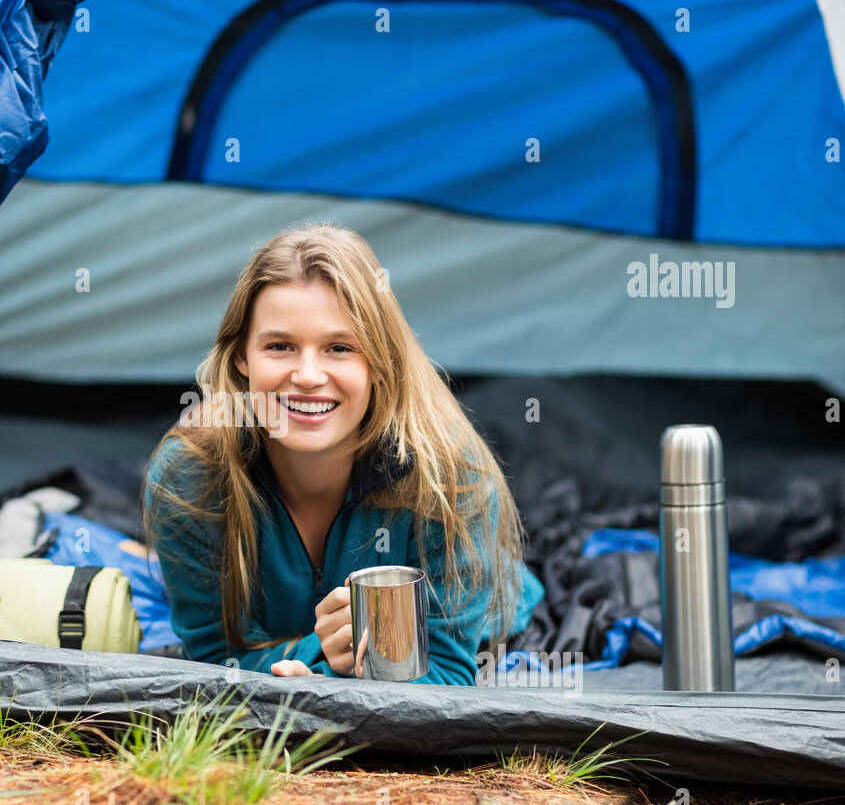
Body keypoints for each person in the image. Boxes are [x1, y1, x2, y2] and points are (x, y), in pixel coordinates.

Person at [141, 222, 544, 685]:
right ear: (241, 358)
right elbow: (215, 657)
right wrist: (321, 656)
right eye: (280, 346)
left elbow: (449, 672)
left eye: (339, 347)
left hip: (488, 616)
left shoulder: (451, 477)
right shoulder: (189, 479)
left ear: (379, 361)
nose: (308, 375)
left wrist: (326, 680)